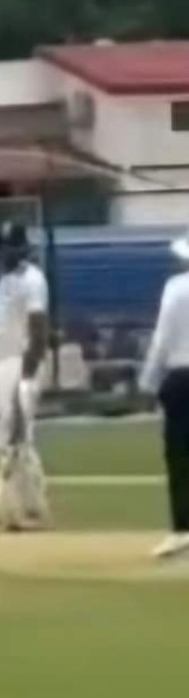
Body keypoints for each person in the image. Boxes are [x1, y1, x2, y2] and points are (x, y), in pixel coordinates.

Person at [0, 221, 52, 532]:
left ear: (20, 249)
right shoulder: (6, 280)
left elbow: (39, 332)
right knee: (10, 438)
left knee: (16, 438)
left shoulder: (33, 280)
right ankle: (28, 509)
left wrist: (26, 377)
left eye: (6, 250)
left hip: (22, 364)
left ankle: (17, 510)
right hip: (3, 363)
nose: (0, 257)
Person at [138, 231, 189, 561]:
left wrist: (148, 383)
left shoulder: (176, 288)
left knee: (180, 456)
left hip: (182, 377)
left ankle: (182, 530)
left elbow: (162, 338)